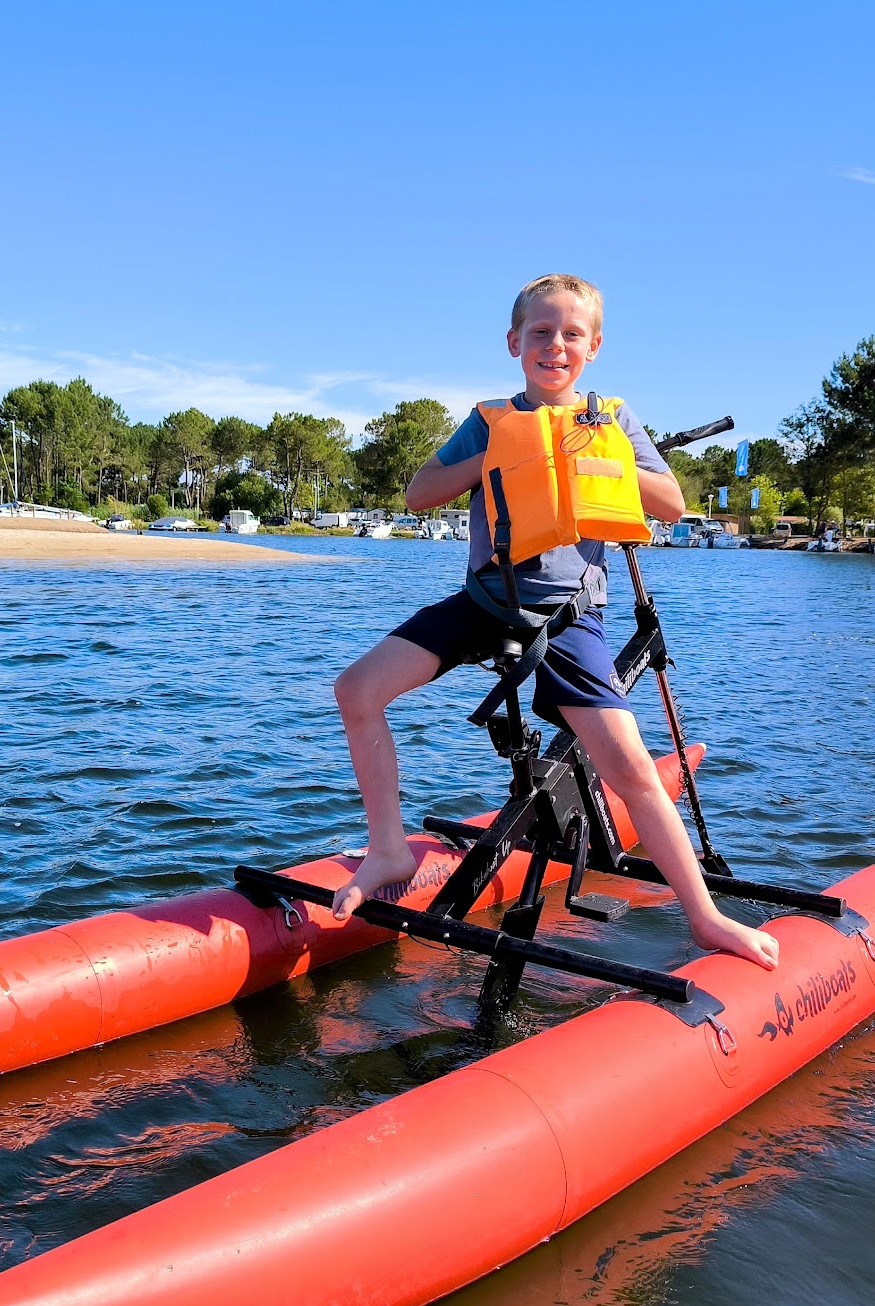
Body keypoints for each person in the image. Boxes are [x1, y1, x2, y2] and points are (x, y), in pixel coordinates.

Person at [328, 273, 779, 972]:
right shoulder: (488, 419)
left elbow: (669, 503)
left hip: (568, 620)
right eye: (540, 332)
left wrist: (599, 451)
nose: (555, 345)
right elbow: (419, 494)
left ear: (594, 346)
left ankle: (705, 915)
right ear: (514, 342)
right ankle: (387, 845)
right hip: (484, 602)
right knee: (357, 690)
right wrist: (504, 455)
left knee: (629, 766)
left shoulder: (615, 420)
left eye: (571, 334)